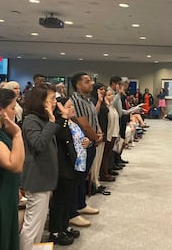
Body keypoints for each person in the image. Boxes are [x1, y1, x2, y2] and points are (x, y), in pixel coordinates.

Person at [19, 83, 63, 250]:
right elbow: (38, 144)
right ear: (41, 101)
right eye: (51, 99)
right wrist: (52, 121)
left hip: (44, 178)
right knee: (32, 225)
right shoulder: (31, 120)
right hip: (37, 178)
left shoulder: (42, 119)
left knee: (37, 225)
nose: (54, 102)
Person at [0, 88, 25, 250]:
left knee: (7, 235)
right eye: (13, 107)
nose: (15, 112)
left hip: (6, 192)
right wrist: (17, 134)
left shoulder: (0, 131)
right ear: (1, 110)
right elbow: (14, 164)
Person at [48, 98, 88, 245]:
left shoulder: (73, 122)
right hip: (63, 167)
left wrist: (86, 141)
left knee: (67, 198)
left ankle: (64, 226)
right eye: (68, 106)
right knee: (59, 200)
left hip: (75, 165)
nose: (72, 108)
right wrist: (64, 117)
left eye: (72, 106)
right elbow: (62, 136)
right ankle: (55, 230)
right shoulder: (59, 123)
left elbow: (80, 138)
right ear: (60, 109)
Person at [69, 73, 102, 227]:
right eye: (87, 81)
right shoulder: (76, 100)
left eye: (91, 81)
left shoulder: (87, 100)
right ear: (77, 85)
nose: (91, 84)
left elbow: (93, 120)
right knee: (76, 178)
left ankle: (81, 204)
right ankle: (72, 211)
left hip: (91, 143)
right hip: (82, 146)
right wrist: (96, 137)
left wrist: (99, 133)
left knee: (83, 177)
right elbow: (84, 124)